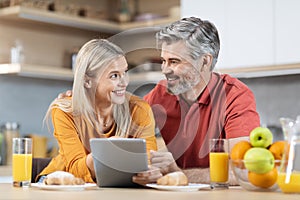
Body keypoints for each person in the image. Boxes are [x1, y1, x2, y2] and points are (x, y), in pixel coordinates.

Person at [57, 17, 260, 185]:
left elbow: (242, 172)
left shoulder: (235, 97)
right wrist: (84, 96)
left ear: (205, 61)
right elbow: (116, 116)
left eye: (174, 61)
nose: (164, 69)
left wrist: (178, 172)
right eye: (163, 60)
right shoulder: (159, 95)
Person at [38, 39, 157, 183]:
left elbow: (149, 163)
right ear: (87, 81)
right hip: (61, 182)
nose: (124, 82)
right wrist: (105, 153)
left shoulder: (139, 109)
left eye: (125, 72)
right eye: (114, 76)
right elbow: (76, 169)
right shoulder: (65, 111)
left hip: (112, 185)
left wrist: (151, 172)